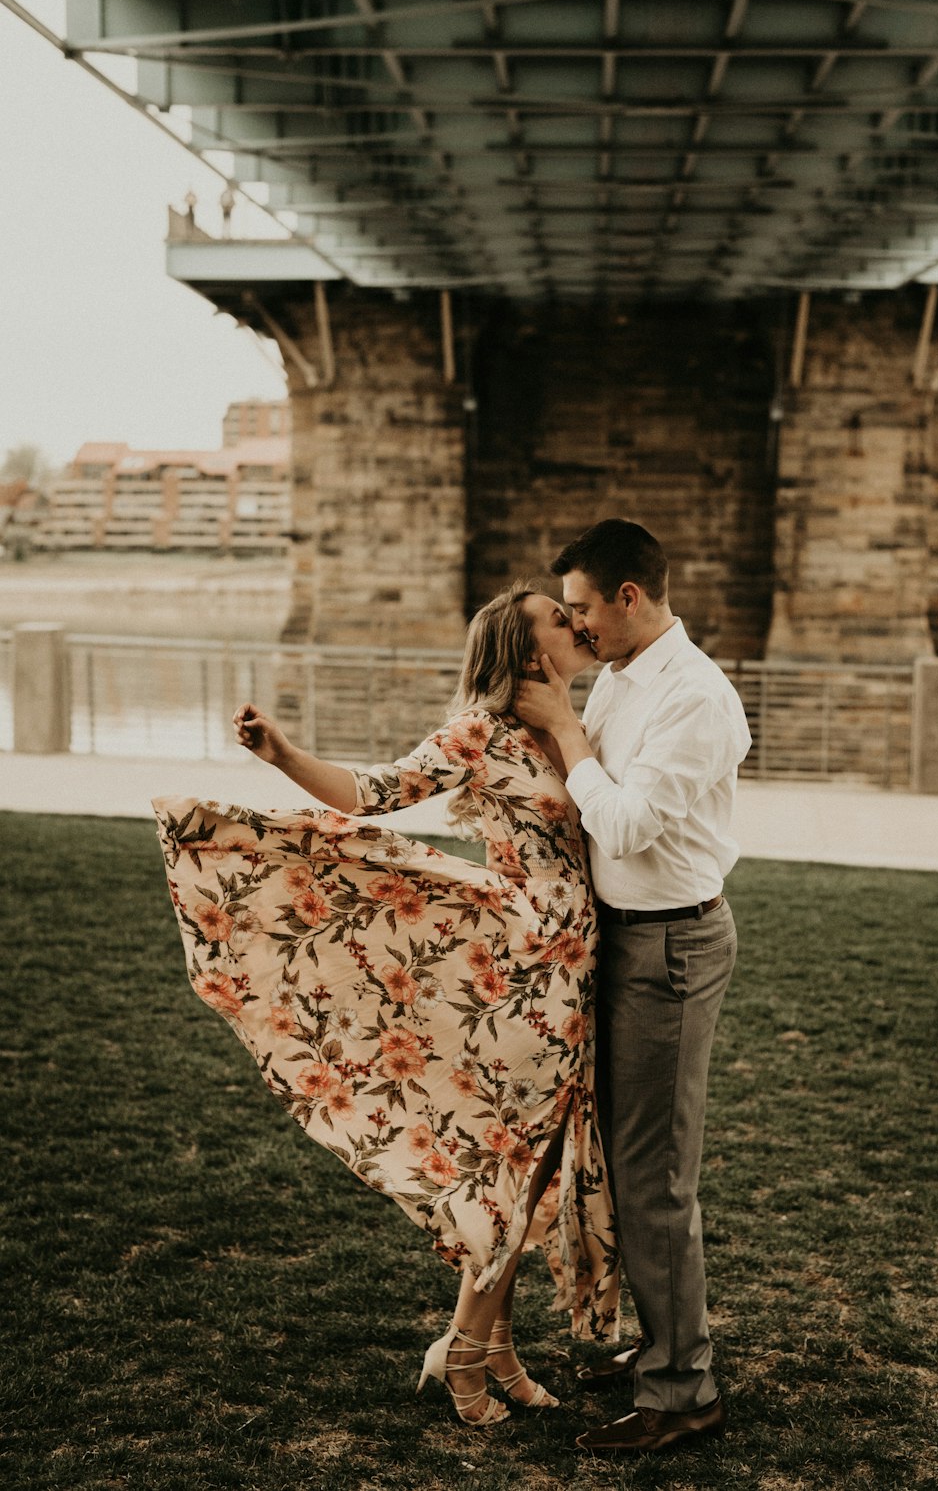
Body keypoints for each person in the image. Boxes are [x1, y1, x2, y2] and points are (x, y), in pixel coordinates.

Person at [152, 584, 620, 1430]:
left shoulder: (570, 728)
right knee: (513, 1165)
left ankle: (498, 1347)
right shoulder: (484, 730)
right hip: (521, 972)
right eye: (560, 618)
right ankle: (465, 1356)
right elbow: (375, 791)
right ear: (525, 650)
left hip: (570, 967)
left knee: (539, 1163)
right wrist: (284, 756)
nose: (578, 623)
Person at [515, 519, 752, 1456]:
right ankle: (664, 1347)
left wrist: (567, 730)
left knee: (655, 1183)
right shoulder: (618, 677)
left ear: (628, 597)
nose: (576, 627)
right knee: (623, 1162)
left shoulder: (696, 699)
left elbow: (622, 827)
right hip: (618, 946)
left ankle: (682, 1392)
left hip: (669, 951)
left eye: (581, 608)